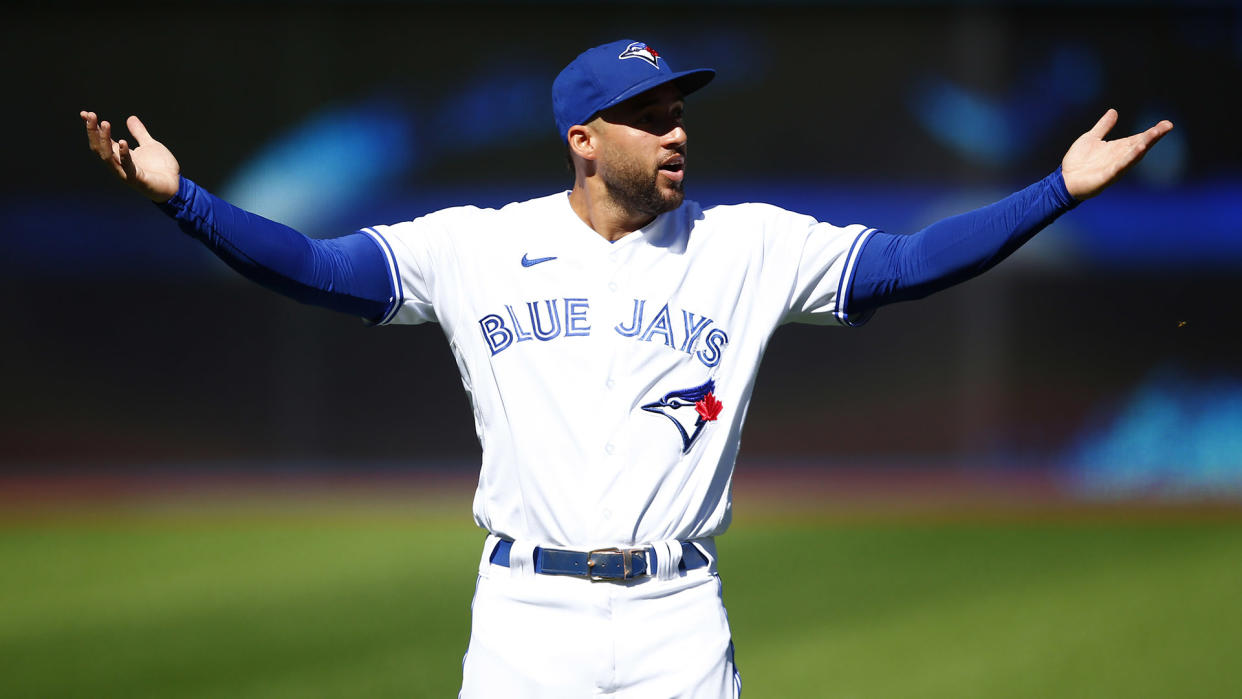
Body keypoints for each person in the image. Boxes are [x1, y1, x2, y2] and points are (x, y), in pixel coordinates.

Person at [81, 38, 1171, 699]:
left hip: (677, 614)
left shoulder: (747, 245)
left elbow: (904, 263)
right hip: (525, 618)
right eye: (648, 119)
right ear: (583, 139)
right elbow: (317, 267)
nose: (675, 133)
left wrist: (1055, 192)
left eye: (679, 111)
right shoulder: (473, 244)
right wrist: (188, 202)